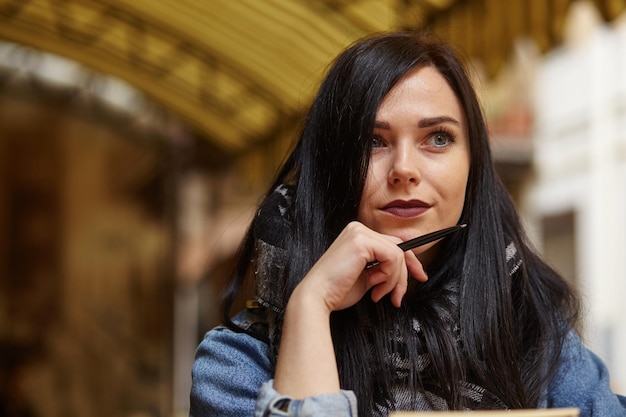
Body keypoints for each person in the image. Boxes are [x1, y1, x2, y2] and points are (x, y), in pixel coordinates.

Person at [189, 31, 626, 417]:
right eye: (373, 142)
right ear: (329, 172)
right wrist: (311, 305)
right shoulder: (237, 365)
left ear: (473, 167)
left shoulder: (536, 334)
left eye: (438, 138)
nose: (404, 169)